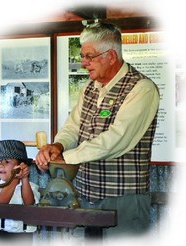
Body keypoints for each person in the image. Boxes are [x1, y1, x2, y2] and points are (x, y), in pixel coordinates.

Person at [35, 22, 160, 240]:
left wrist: (66, 158)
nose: (84, 63)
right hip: (85, 195)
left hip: (124, 200)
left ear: (111, 56)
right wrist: (58, 145)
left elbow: (116, 139)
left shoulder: (141, 88)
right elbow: (73, 127)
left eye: (89, 56)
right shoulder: (90, 88)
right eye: (83, 56)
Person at [0, 139, 40, 245]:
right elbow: (0, 203)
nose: (1, 165)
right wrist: (14, 179)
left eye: (7, 161)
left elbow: (29, 203)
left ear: (21, 165)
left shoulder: (32, 187)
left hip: (23, 237)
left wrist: (24, 179)